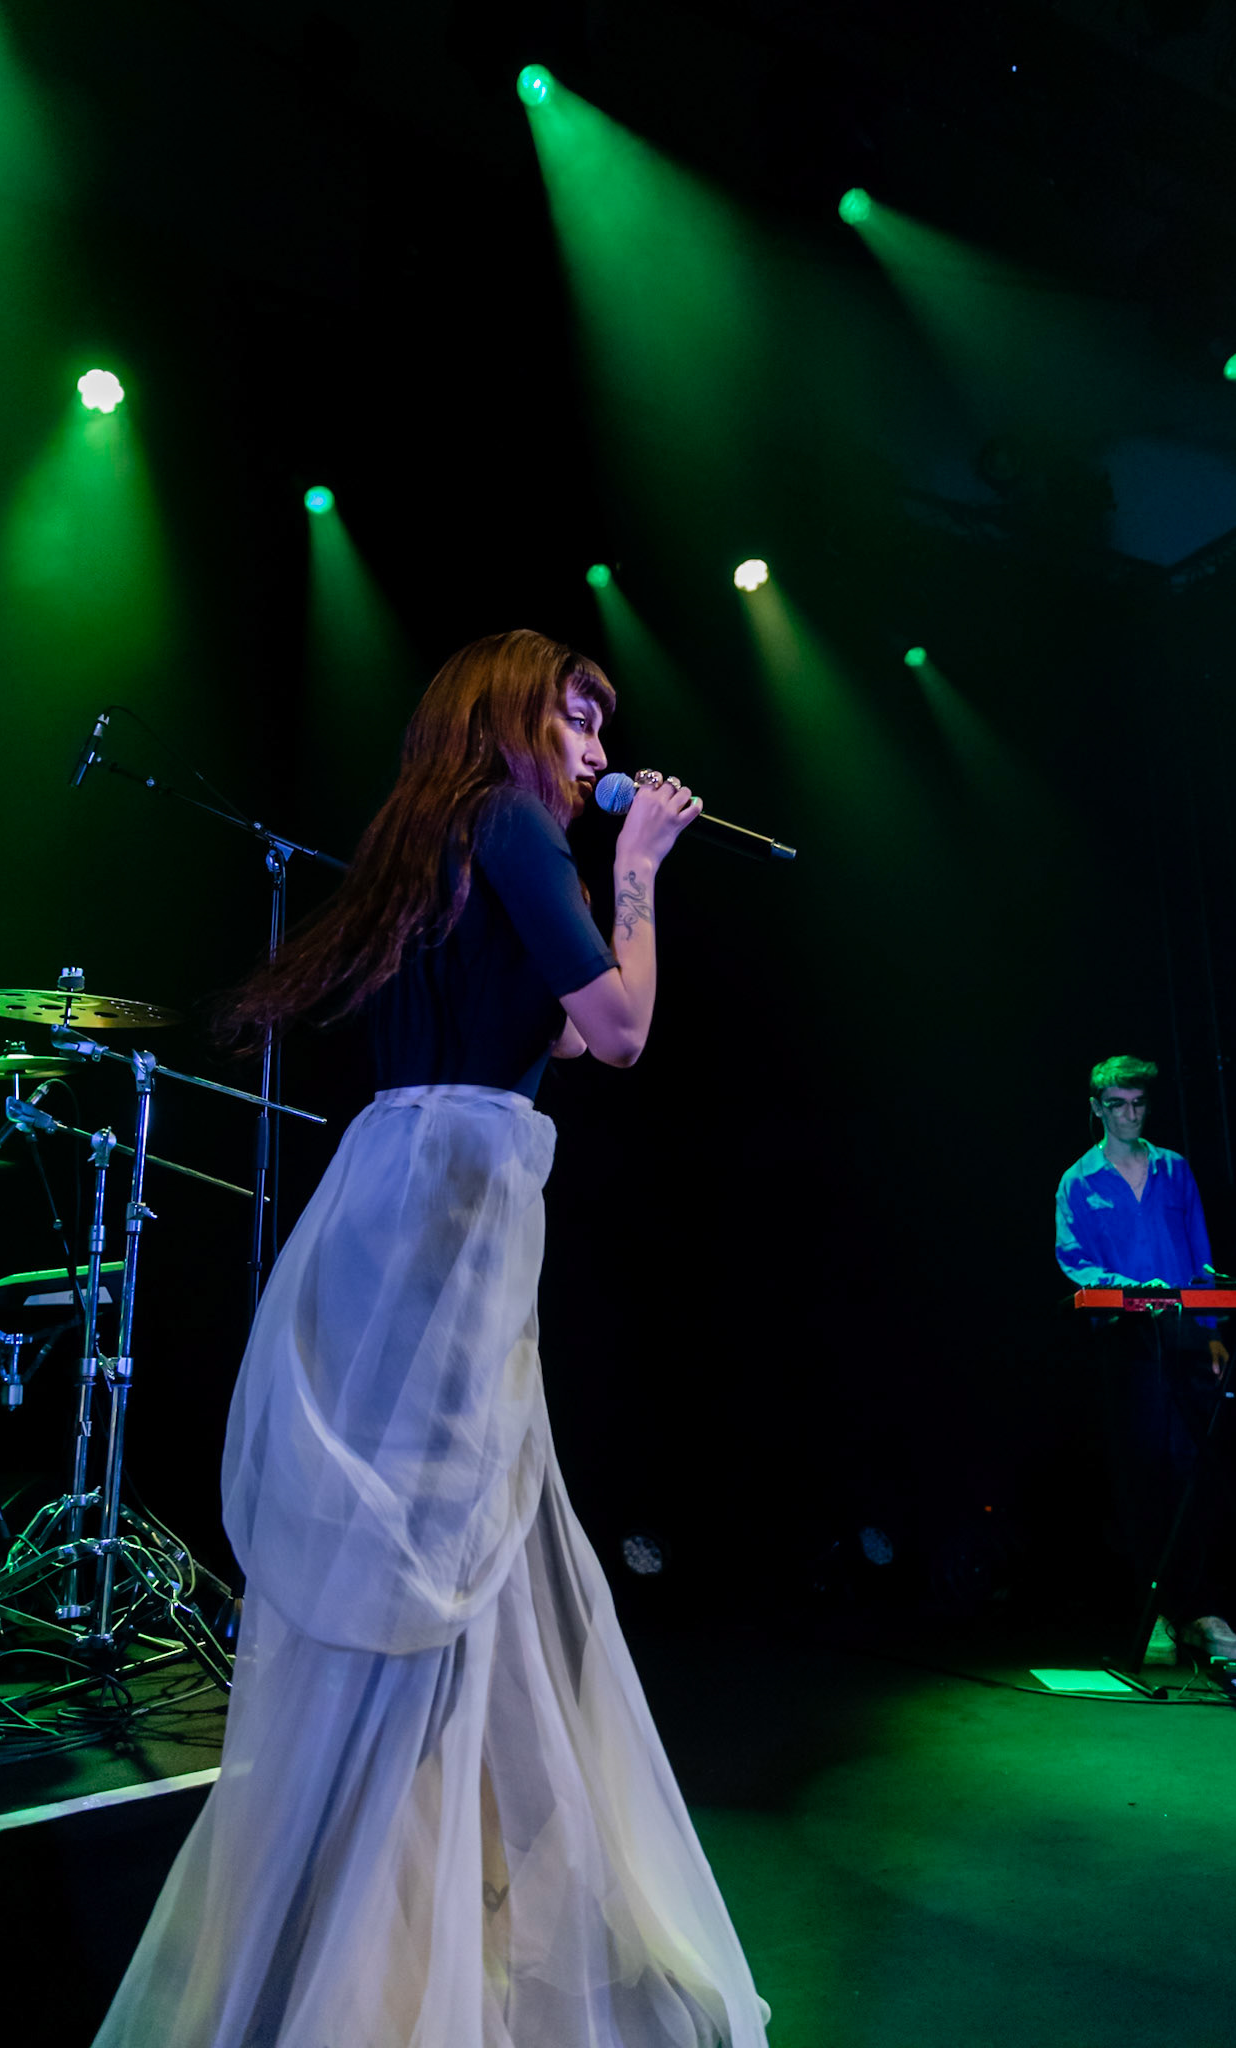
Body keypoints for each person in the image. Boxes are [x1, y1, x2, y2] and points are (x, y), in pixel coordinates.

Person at [93, 630, 771, 2047]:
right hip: (451, 1204)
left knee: (453, 1551)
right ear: (512, 715)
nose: (598, 751)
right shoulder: (510, 818)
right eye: (580, 721)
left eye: (605, 730)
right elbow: (625, 1031)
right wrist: (643, 862)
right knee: (442, 1554)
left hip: (414, 1190)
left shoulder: (457, 832)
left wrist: (601, 891)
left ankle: (390, 1902)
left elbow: (560, 1035)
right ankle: (381, 1938)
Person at [1054, 1054, 1236, 1669]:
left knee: (1192, 1467)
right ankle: (1158, 1609)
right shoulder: (1078, 1182)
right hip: (1129, 1340)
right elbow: (1074, 1258)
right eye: (1118, 1105)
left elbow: (1201, 1254)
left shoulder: (1174, 1170)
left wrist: (1214, 1329)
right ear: (1097, 1108)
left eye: (1139, 1104)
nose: (1130, 1115)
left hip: (1188, 1336)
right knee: (1142, 1472)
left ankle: (1199, 1608)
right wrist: (1134, 1294)